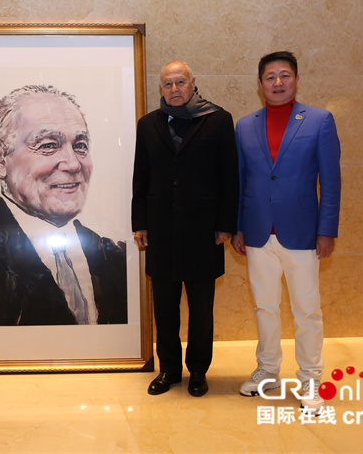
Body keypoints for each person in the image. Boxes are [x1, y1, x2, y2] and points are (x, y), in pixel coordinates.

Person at [232, 51, 341, 413]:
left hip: (303, 232)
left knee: (306, 310)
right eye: (270, 77)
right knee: (265, 306)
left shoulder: (320, 120)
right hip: (257, 231)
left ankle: (310, 377)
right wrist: (237, 226)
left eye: (284, 75)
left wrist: (326, 230)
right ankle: (267, 369)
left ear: (296, 79)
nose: (277, 83)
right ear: (259, 83)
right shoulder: (244, 126)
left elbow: (331, 180)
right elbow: (240, 181)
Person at [0, 85, 127, 326]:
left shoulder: (112, 255)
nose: (73, 164)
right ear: (1, 157)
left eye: (80, 145)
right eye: (48, 145)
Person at [132, 61, 239, 397]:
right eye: (168, 83)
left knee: (201, 310)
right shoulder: (147, 124)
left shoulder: (218, 120)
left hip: (204, 232)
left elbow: (229, 177)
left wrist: (225, 224)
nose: (174, 88)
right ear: (160, 88)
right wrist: (140, 223)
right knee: (164, 308)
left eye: (180, 82)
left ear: (193, 83)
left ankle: (198, 371)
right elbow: (140, 177)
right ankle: (169, 370)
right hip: (161, 230)